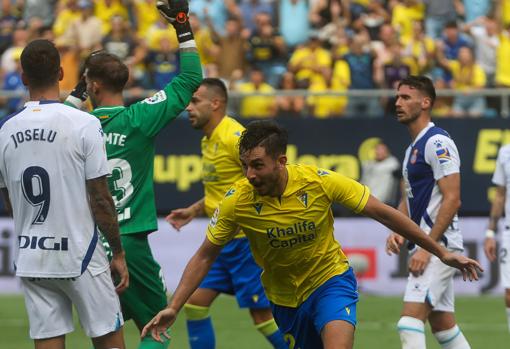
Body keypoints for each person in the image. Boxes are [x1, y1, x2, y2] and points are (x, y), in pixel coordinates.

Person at [142, 120, 482, 349]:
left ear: (281, 161)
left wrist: (440, 251)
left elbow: (383, 212)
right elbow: (205, 254)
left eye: (257, 165)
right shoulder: (237, 201)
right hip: (285, 299)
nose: (250, 174)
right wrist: (175, 306)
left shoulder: (320, 181)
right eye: (245, 165)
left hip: (330, 282)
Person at [65, 1, 202, 348]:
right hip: (128, 242)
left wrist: (79, 90)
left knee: (107, 334)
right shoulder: (140, 119)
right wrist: (182, 26)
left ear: (92, 87)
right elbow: (190, 79)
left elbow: (57, 115)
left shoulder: (74, 126)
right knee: (157, 327)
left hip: (86, 245)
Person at [0, 39, 128, 349]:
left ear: (24, 76)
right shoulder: (84, 123)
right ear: (60, 73)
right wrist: (118, 252)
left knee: (47, 342)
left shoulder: (5, 130)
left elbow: (10, 197)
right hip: (80, 254)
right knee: (110, 341)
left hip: (32, 255)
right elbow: (100, 197)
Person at [165, 78, 287, 349]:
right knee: (195, 304)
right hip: (222, 241)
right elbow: (225, 189)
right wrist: (195, 210)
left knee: (262, 315)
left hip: (246, 242)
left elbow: (266, 177)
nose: (188, 108)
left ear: (216, 103)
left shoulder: (235, 138)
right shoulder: (209, 140)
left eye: (195, 101)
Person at [386, 75, 471, 349]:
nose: (398, 103)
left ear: (426, 102)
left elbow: (453, 198)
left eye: (406, 97)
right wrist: (398, 229)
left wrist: (428, 248)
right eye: (398, 97)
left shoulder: (437, 142)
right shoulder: (413, 147)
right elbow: (409, 198)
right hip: (427, 243)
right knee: (443, 325)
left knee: (409, 323)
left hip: (437, 245)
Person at [483, 144, 510, 333]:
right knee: (509, 294)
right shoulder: (505, 152)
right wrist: (490, 233)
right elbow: (500, 195)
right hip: (508, 231)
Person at [360, 141, 400, 206]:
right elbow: (363, 182)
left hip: (385, 203)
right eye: (377, 149)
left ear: (387, 152)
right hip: (366, 201)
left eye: (381, 150)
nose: (378, 152)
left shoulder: (392, 163)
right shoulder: (368, 165)